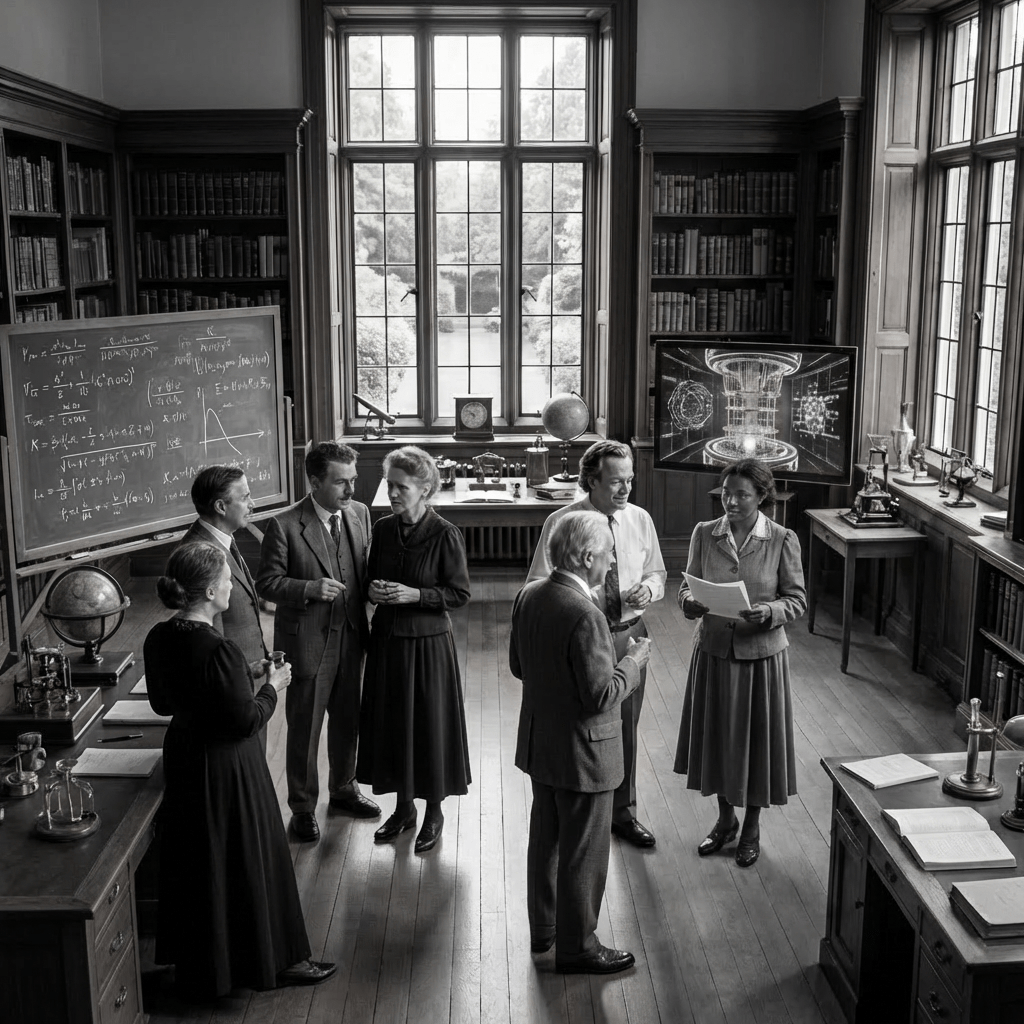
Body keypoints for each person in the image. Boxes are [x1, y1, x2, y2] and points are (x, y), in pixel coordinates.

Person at [143, 542, 335, 999]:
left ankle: (205, 968)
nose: (232, 586)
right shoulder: (218, 649)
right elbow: (246, 720)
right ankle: (276, 960)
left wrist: (244, 674)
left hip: (187, 759)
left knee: (201, 867)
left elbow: (163, 703)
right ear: (210, 591)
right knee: (253, 859)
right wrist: (272, 685)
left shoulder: (159, 637)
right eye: (227, 580)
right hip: (229, 767)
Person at [511, 510, 650, 974]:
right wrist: (633, 663)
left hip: (541, 744)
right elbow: (600, 696)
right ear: (587, 555)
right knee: (584, 853)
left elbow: (518, 666)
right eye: (609, 555)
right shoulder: (586, 614)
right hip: (585, 752)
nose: (611, 564)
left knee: (545, 840)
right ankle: (578, 948)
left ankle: (544, 930)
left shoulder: (529, 595)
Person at [528, 439, 665, 848]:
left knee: (624, 730)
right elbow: (537, 583)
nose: (625, 490)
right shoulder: (562, 521)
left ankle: (623, 813)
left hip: (627, 636)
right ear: (591, 481)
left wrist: (649, 590)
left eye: (630, 481)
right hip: (579, 639)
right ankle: (581, 811)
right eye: (615, 482)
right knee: (583, 730)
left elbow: (658, 572)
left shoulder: (639, 519)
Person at [674, 458, 806, 868]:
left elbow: (797, 600)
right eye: (726, 493)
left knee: (756, 746)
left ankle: (751, 827)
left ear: (762, 497)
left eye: (741, 495)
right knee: (716, 740)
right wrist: (688, 603)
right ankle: (725, 820)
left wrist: (770, 613)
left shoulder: (783, 539)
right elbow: (685, 585)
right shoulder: (703, 533)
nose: (730, 501)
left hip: (760, 659)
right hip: (713, 652)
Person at [255, 441, 379, 843]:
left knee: (348, 721)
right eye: (340, 483)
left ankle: (344, 789)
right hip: (308, 642)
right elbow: (267, 584)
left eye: (353, 480)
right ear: (314, 481)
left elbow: (363, 567)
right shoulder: (285, 524)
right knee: (305, 727)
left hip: (353, 637)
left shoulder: (359, 515)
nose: (350, 491)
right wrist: (308, 587)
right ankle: (303, 807)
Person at [357, 445, 471, 854]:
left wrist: (414, 595)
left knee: (428, 726)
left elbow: (458, 594)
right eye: (390, 484)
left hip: (428, 647)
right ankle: (403, 808)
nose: (392, 492)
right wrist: (373, 589)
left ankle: (433, 812)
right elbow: (370, 576)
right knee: (393, 725)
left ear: (425, 489)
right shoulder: (383, 529)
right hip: (387, 642)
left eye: (401, 486)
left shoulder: (445, 533)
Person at [177, 464, 268, 672]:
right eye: (244, 498)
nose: (252, 504)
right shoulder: (199, 555)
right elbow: (208, 639)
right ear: (221, 507)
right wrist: (242, 671)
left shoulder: (224, 537)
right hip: (232, 682)